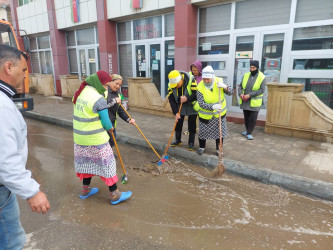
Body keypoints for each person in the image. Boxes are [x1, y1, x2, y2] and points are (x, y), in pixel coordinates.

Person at [0, 44, 50, 248]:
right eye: (23, 70)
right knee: (12, 242)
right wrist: (32, 191)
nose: (24, 77)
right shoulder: (2, 106)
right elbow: (5, 158)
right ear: (8, 67)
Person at [72, 70, 132, 205]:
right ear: (98, 84)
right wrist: (110, 128)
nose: (105, 88)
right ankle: (115, 194)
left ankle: (85, 190)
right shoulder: (97, 99)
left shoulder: (80, 92)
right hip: (96, 139)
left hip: (80, 139)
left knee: (87, 163)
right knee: (108, 165)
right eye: (105, 85)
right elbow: (106, 123)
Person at [196, 66, 233, 155]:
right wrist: (212, 107)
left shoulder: (220, 81)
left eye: (208, 79)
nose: (206, 81)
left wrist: (225, 87)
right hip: (205, 115)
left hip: (219, 114)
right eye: (204, 79)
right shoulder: (200, 86)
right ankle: (201, 147)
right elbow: (201, 103)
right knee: (203, 132)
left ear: (212, 77)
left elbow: (231, 92)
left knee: (219, 133)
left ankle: (218, 149)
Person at [167, 69, 198, 151]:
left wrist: (187, 98)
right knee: (178, 122)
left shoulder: (191, 79)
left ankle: (191, 143)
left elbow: (196, 94)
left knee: (192, 124)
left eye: (176, 85)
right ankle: (178, 140)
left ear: (181, 80)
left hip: (192, 104)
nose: (175, 87)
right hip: (179, 105)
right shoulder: (170, 85)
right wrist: (175, 112)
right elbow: (171, 100)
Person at [238, 60, 266, 140]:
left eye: (253, 67)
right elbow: (240, 86)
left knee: (253, 118)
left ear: (257, 68)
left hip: (255, 102)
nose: (252, 69)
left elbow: (262, 90)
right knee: (246, 117)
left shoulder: (262, 77)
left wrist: (250, 95)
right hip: (245, 101)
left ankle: (249, 133)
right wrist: (241, 94)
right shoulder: (246, 75)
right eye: (251, 67)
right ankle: (247, 130)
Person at [105, 74, 136, 149]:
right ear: (110, 82)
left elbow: (120, 110)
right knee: (104, 142)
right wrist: (114, 101)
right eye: (116, 83)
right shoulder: (104, 92)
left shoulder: (118, 95)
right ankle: (105, 158)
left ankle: (109, 156)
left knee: (112, 140)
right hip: (103, 123)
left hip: (112, 122)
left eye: (120, 85)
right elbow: (102, 106)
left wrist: (128, 119)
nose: (118, 86)